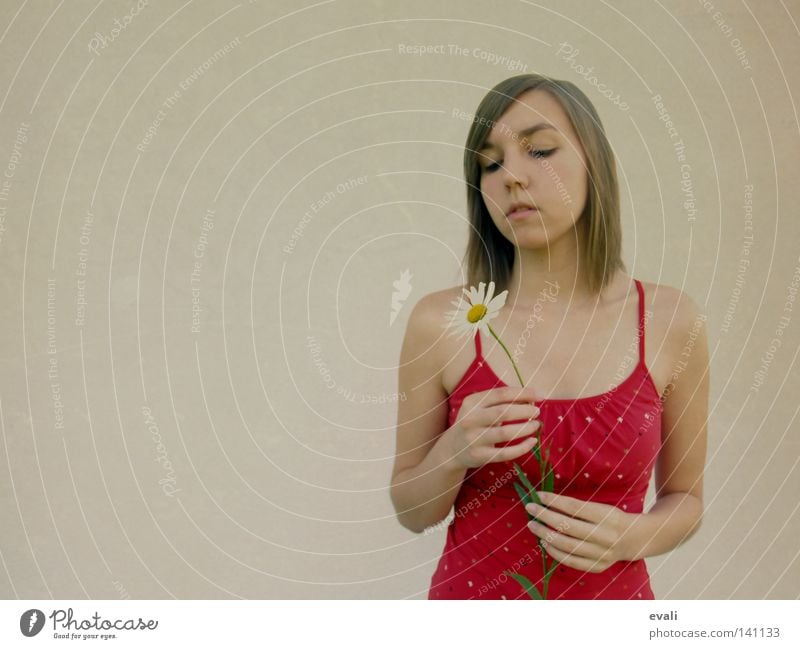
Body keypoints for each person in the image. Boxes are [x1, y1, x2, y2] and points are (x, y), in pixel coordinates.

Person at [389, 74, 709, 599]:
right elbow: (411, 509)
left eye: (539, 150)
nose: (511, 176)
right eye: (490, 163)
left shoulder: (673, 320)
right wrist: (454, 452)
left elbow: (685, 498)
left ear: (594, 163)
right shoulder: (440, 322)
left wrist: (637, 535)